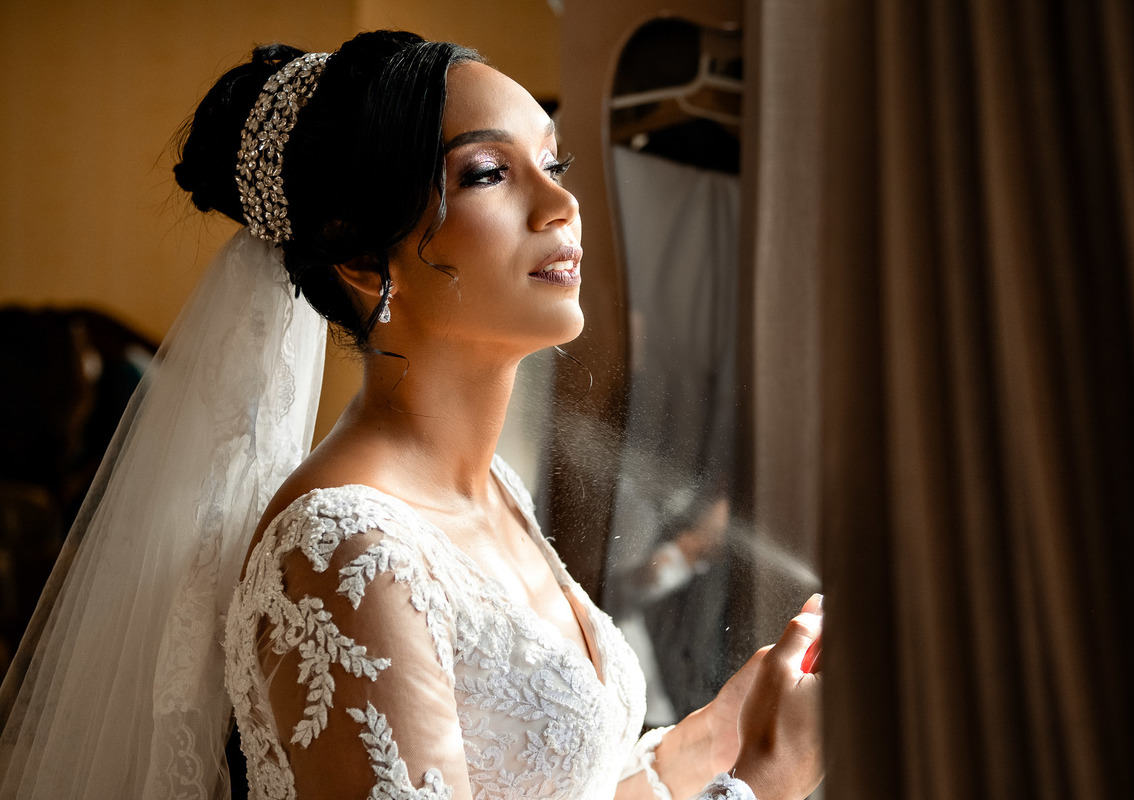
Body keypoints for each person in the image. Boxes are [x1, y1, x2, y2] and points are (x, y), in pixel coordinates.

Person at [0, 30, 822, 800]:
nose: (560, 205)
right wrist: (760, 784)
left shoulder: (491, 488)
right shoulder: (346, 550)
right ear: (361, 257)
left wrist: (709, 744)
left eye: (552, 161)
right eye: (488, 174)